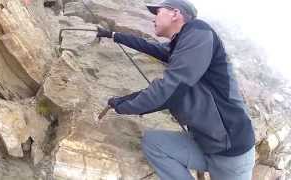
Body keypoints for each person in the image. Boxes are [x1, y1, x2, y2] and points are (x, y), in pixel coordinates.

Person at [96, 0, 255, 179]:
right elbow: (151, 47)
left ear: (175, 14)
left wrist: (121, 104)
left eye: (157, 12)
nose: (153, 18)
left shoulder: (199, 32)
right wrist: (114, 35)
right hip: (205, 143)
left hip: (230, 152)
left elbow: (170, 90)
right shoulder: (182, 44)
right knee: (153, 143)